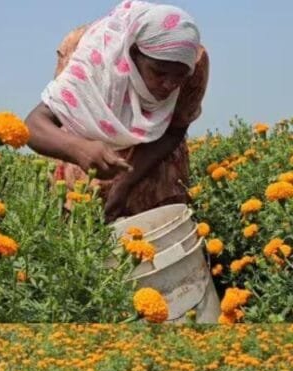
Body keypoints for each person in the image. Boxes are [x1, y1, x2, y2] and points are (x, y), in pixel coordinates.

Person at [24, 1, 208, 222]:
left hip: (154, 159)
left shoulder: (193, 63)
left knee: (159, 236)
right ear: (132, 55)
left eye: (178, 77)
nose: (169, 85)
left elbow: (175, 128)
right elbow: (34, 125)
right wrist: (79, 150)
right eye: (159, 73)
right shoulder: (91, 55)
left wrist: (126, 182)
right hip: (86, 160)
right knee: (83, 238)